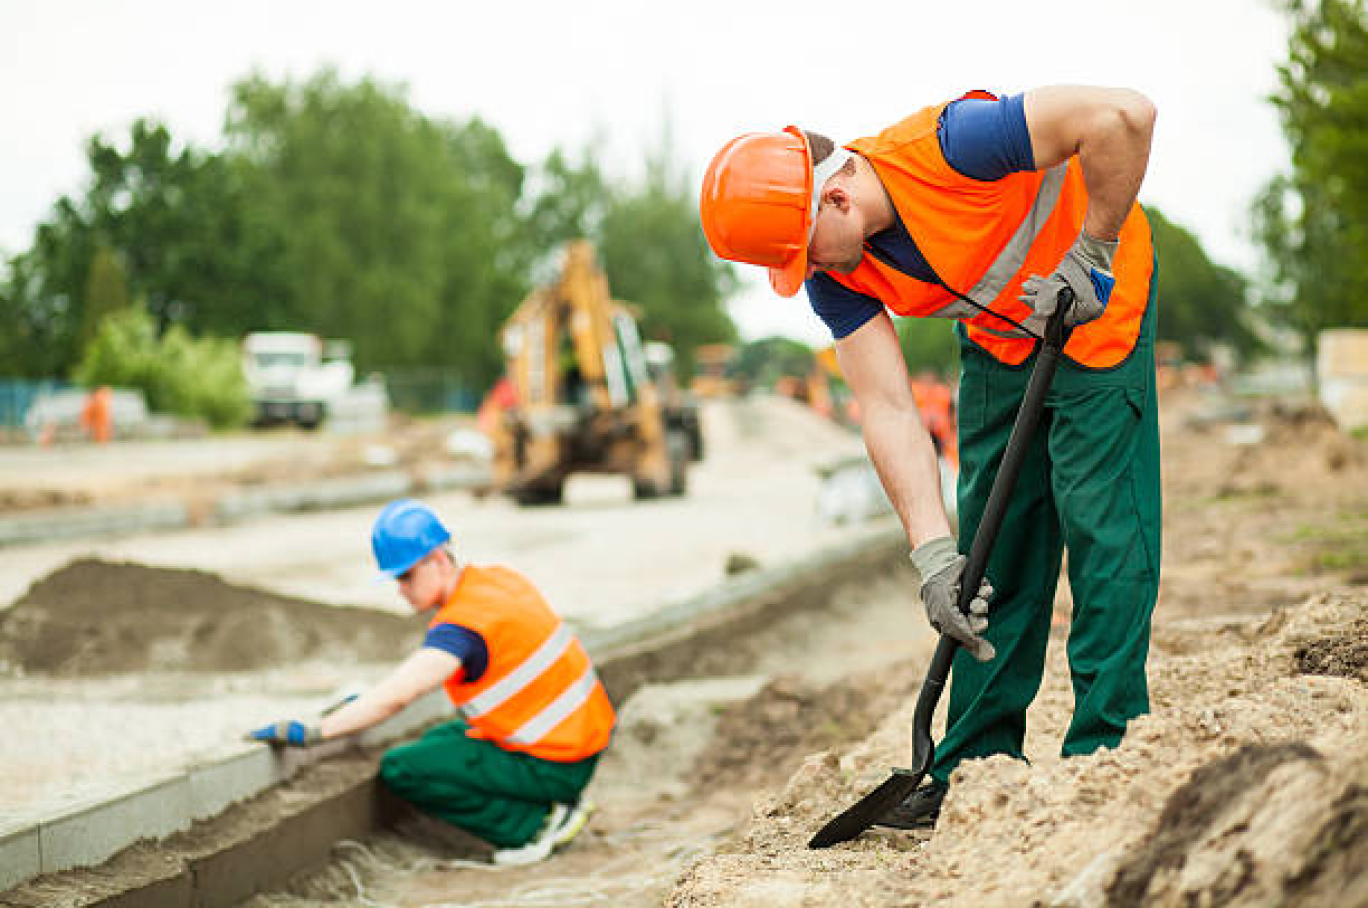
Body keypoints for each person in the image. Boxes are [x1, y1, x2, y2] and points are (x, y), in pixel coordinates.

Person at [699, 86, 1160, 828]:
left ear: (838, 198)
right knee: (988, 553)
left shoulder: (958, 145)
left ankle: (1107, 755)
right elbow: (885, 407)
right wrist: (932, 556)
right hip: (1002, 342)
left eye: (799, 252)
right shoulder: (836, 273)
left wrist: (1093, 251)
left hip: (1101, 310)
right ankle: (975, 768)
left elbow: (1125, 117)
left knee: (1103, 531)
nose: (804, 272)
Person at [247, 499, 616, 865]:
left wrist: (315, 732)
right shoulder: (498, 581)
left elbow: (398, 695)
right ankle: (552, 802)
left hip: (556, 763)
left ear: (439, 560)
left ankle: (537, 825)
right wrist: (362, 700)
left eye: (406, 576)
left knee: (403, 767)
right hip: (580, 742)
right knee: (441, 739)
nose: (400, 589)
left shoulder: (462, 627)